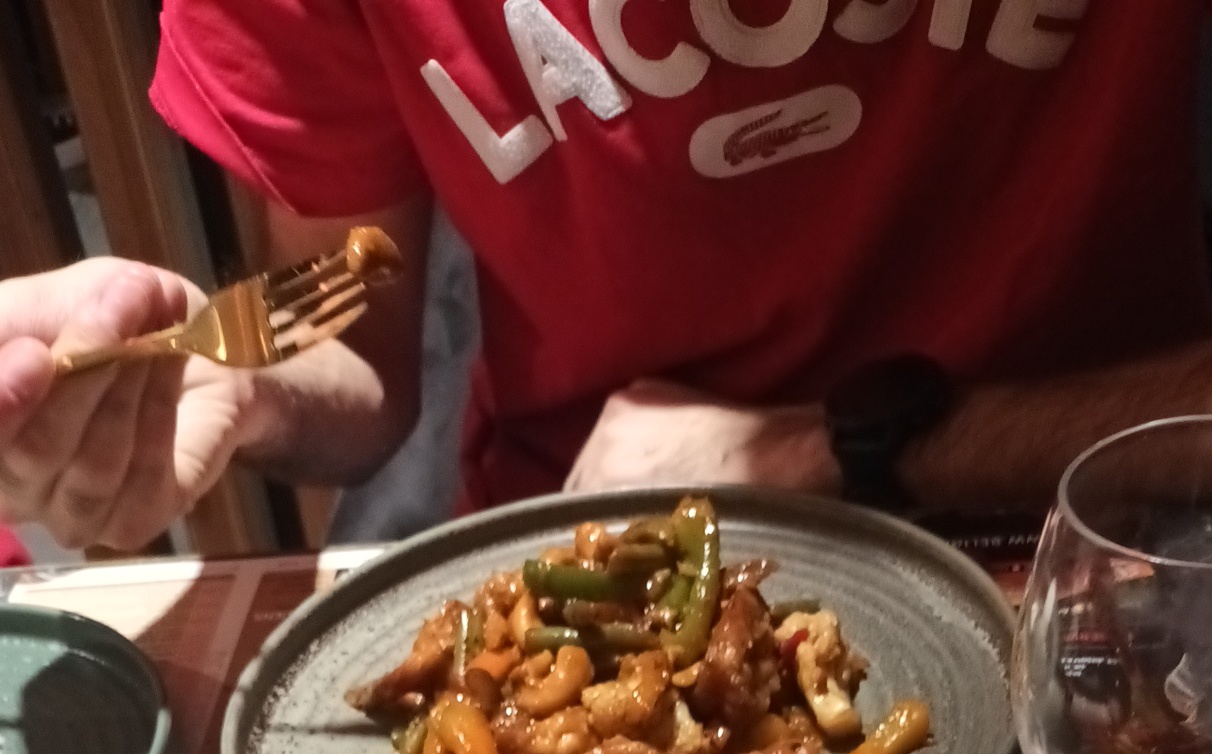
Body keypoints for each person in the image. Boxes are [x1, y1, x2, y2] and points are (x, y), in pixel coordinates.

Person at [1, 0, 1209, 554]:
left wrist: (817, 453)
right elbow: (358, 352)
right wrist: (238, 384)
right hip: (583, 540)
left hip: (1107, 532)